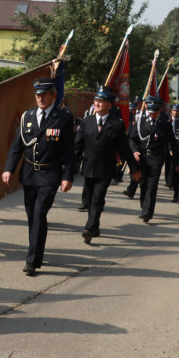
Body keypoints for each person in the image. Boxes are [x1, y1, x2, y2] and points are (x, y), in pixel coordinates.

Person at [1, 76, 75, 274]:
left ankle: (32, 260)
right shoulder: (28, 116)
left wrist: (68, 176)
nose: (40, 98)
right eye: (37, 95)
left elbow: (69, 150)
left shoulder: (64, 118)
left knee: (39, 214)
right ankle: (36, 249)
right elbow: (17, 146)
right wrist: (9, 168)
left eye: (44, 95)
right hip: (29, 173)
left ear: (53, 95)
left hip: (50, 174)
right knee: (31, 216)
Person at [75, 86, 138, 243]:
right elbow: (77, 147)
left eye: (101, 101)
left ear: (110, 104)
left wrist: (134, 168)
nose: (97, 104)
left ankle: (89, 228)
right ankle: (95, 226)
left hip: (106, 169)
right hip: (88, 167)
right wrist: (69, 170)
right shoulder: (85, 123)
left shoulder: (116, 124)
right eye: (96, 101)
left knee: (97, 198)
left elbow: (124, 149)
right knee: (89, 200)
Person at [128, 96, 179, 222]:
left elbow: (173, 143)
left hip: (156, 158)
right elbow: (132, 139)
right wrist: (135, 151)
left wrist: (178, 161)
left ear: (159, 111)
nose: (152, 114)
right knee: (143, 184)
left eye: (155, 112)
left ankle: (147, 212)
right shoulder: (141, 122)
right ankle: (144, 208)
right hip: (142, 157)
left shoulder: (165, 124)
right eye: (150, 112)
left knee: (152, 185)